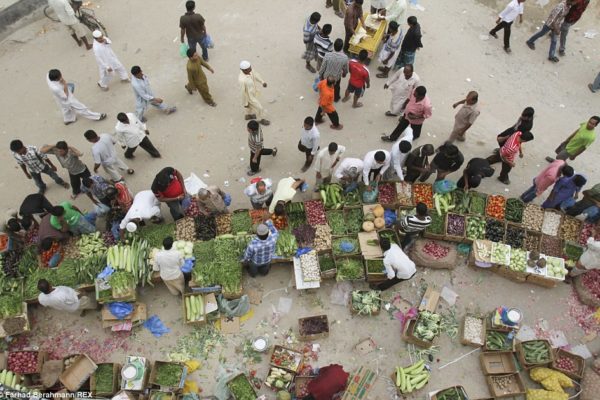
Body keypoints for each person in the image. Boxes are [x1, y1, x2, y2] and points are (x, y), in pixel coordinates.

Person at [239, 61, 270, 126]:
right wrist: (245, 103)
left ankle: (248, 115)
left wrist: (262, 82)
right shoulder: (242, 80)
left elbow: (256, 75)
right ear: (243, 70)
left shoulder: (250, 70)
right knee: (259, 108)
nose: (251, 70)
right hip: (249, 97)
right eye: (248, 69)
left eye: (250, 68)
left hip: (253, 92)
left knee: (250, 106)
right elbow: (242, 92)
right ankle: (260, 119)